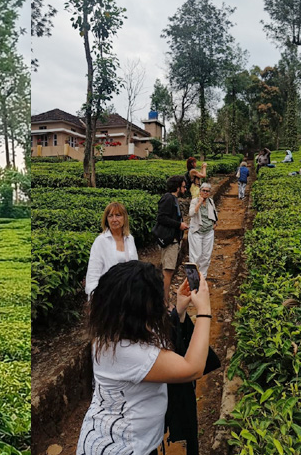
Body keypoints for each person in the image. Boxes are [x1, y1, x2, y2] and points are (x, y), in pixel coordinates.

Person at [76, 260, 214, 455]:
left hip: (114, 437)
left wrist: (180, 309)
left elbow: (160, 339)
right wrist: (204, 311)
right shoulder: (128, 352)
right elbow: (193, 368)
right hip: (121, 448)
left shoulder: (113, 331)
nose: (163, 303)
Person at [85, 202, 139, 297]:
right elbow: (93, 272)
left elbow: (135, 267)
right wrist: (94, 294)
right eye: (110, 216)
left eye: (118, 215)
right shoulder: (101, 241)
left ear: (124, 218)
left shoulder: (130, 239)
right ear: (106, 219)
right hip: (107, 294)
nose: (114, 219)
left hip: (128, 293)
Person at [154, 176, 190, 296]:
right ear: (177, 187)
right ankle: (165, 301)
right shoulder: (168, 198)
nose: (185, 189)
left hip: (173, 240)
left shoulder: (172, 199)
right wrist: (179, 225)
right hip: (170, 241)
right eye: (183, 187)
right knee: (167, 272)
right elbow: (161, 218)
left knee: (168, 271)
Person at [187, 182, 217, 273]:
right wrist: (199, 203)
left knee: (206, 256)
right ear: (200, 191)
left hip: (208, 232)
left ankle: (203, 276)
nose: (205, 193)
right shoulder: (194, 201)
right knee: (196, 255)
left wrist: (215, 223)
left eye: (207, 191)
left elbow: (214, 212)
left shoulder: (210, 201)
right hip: (196, 231)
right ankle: (193, 277)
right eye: (203, 190)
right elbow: (191, 213)